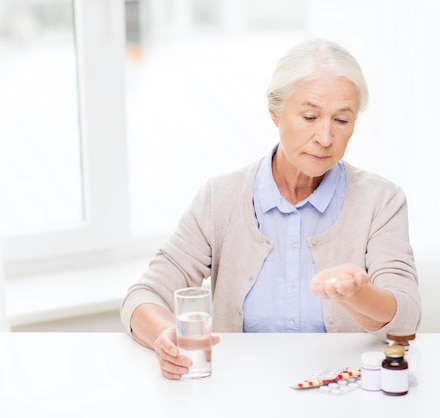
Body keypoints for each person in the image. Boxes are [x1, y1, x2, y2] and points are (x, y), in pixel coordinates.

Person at [120, 38, 421, 380]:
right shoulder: (221, 198)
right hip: (240, 393)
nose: (325, 136)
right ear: (275, 113)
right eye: (309, 116)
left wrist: (358, 295)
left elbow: (407, 314)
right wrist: (164, 336)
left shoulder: (382, 201)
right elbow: (144, 295)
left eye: (341, 120)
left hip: (342, 394)